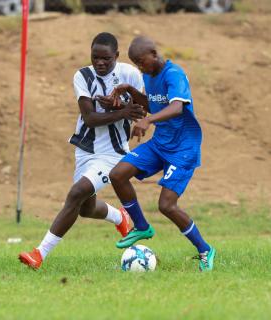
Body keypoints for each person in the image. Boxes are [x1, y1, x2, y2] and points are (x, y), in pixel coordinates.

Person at [19, 32, 145, 269]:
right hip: (86, 150)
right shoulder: (83, 76)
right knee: (86, 207)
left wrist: (128, 110)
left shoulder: (130, 74)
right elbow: (89, 118)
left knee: (76, 194)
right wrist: (121, 112)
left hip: (114, 153)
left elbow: (142, 109)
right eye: (95, 57)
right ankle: (120, 217)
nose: (100, 62)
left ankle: (39, 254)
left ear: (116, 56)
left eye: (106, 58)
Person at [109, 36, 216, 272]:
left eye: (141, 62)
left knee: (167, 205)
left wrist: (148, 120)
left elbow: (177, 107)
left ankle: (205, 249)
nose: (139, 67)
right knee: (118, 174)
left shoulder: (174, 74)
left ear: (154, 54)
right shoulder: (149, 75)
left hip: (183, 148)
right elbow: (154, 104)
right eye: (136, 63)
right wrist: (131, 91)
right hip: (160, 143)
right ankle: (141, 226)